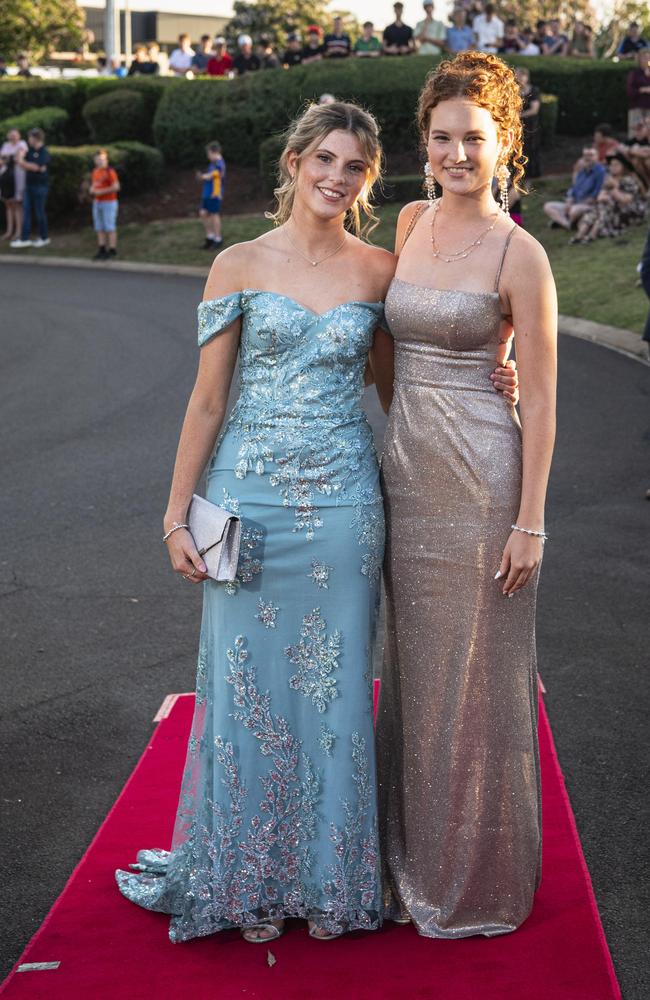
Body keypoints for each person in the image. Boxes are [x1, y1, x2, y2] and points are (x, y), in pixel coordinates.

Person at [114, 100, 396, 946]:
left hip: (346, 505)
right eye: (325, 159)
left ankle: (326, 876)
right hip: (249, 504)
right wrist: (175, 515)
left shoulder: (380, 271)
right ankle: (246, 874)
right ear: (293, 161)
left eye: (354, 167)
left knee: (335, 688)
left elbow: (400, 394)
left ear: (367, 181)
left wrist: (499, 383)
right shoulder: (236, 263)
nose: (336, 178)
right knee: (244, 688)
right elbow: (206, 401)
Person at [372, 50, 557, 938]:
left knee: (478, 678)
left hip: (487, 489)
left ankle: (474, 878)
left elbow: (548, 400)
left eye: (473, 139)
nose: (457, 154)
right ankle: (405, 856)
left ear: (503, 143)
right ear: (425, 142)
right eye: (443, 138)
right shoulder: (405, 224)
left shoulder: (523, 253)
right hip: (405, 480)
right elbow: (382, 351)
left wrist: (532, 521)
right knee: (412, 670)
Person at [570, 153, 647, 244]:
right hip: (610, 209)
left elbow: (626, 200)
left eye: (616, 165)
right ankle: (580, 234)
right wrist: (604, 196)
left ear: (623, 166)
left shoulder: (629, 180)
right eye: (611, 165)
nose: (612, 167)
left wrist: (614, 188)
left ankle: (592, 234)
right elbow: (599, 197)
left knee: (606, 205)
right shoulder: (608, 180)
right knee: (599, 207)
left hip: (630, 210)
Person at [543, 146, 606, 230]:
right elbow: (574, 189)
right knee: (548, 206)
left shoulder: (601, 172)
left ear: (597, 156)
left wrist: (575, 204)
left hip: (589, 205)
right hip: (575, 204)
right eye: (585, 155)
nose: (588, 158)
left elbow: (596, 195)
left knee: (574, 210)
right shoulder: (581, 171)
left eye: (591, 155)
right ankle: (567, 224)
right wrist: (570, 200)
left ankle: (563, 221)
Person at [11, 128, 51, 249]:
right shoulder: (31, 151)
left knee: (40, 213)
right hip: (29, 186)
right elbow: (21, 164)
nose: (28, 140)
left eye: (30, 138)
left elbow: (37, 167)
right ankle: (24, 238)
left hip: (40, 186)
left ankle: (44, 237)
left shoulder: (44, 152)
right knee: (26, 212)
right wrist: (25, 163)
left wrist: (26, 164)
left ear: (36, 138)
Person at [89, 148, 120, 260]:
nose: (101, 161)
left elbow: (116, 187)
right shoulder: (95, 172)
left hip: (109, 202)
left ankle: (112, 249)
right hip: (98, 202)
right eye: (99, 159)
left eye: (103, 159)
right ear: (95, 160)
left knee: (109, 226)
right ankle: (102, 248)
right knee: (99, 227)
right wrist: (92, 190)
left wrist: (101, 191)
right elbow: (94, 185)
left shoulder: (110, 171)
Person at [0, 127, 28, 242]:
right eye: (11, 134)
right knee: (8, 204)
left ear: (19, 136)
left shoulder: (22, 144)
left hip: (17, 178)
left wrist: (8, 158)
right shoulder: (6, 145)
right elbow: (2, 160)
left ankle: (18, 231)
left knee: (17, 204)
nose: (13, 137)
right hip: (5, 178)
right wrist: (9, 158)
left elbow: (18, 157)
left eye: (15, 134)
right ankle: (9, 231)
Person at [198, 141, 226, 250]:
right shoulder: (213, 163)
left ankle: (218, 239)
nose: (208, 156)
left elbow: (218, 173)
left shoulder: (219, 163)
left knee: (214, 215)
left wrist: (205, 176)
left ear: (214, 152)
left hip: (214, 194)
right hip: (207, 193)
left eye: (209, 154)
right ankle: (210, 237)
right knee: (203, 213)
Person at [515, 66, 542, 178]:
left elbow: (534, 110)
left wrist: (518, 116)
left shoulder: (534, 90)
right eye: (517, 75)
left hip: (530, 126)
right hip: (516, 126)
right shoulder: (514, 91)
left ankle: (530, 176)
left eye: (522, 75)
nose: (520, 78)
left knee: (530, 150)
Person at [627, 49, 650, 131]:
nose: (647, 60)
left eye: (648, 58)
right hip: (637, 107)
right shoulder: (635, 73)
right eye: (644, 58)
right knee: (636, 132)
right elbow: (630, 91)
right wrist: (642, 90)